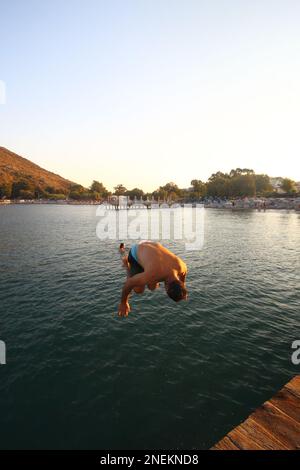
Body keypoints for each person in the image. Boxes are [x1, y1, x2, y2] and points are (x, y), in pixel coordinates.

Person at [118, 241, 188, 317]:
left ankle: (146, 267)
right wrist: (123, 303)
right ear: (166, 288)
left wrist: (182, 291)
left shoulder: (182, 267)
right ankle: (126, 264)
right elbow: (129, 284)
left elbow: (183, 278)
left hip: (151, 245)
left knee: (152, 287)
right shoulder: (152, 275)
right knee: (139, 290)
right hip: (136, 253)